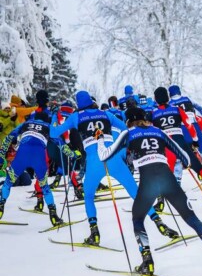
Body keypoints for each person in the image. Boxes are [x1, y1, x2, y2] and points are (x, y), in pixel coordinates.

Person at [96, 107, 202, 275]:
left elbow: (104, 156)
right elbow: (184, 157)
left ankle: (147, 261)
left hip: (148, 182)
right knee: (190, 217)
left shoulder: (128, 133)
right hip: (168, 179)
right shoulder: (158, 131)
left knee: (138, 218)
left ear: (129, 121)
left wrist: (100, 139)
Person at [50, 90, 178, 246]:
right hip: (113, 157)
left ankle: (94, 232)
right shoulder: (105, 114)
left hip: (94, 160)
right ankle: (159, 222)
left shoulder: (75, 117)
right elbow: (125, 128)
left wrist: (53, 117)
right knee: (136, 193)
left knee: (89, 196)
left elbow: (53, 133)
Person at [0, 110, 70, 226]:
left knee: (8, 183)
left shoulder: (25, 123)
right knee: (45, 186)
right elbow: (60, 143)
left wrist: (1, 156)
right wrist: (73, 153)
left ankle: (1, 206)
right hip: (38, 157)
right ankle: (53, 216)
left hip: (22, 155)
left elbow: (8, 138)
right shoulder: (47, 126)